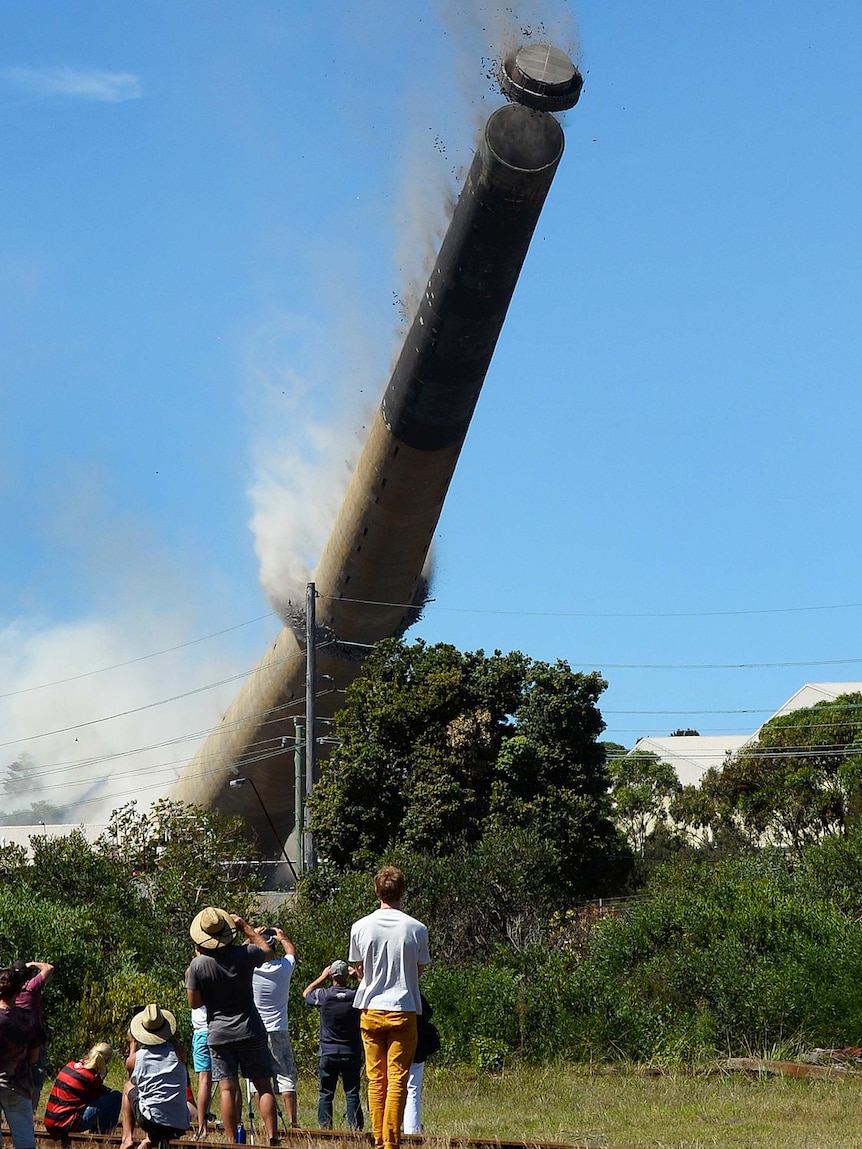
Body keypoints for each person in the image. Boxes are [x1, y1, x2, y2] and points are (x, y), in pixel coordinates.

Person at [349, 866, 430, 1149]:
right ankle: (391, 1142)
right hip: (403, 1007)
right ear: (403, 891)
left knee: (375, 1079)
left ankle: (378, 1138)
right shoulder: (417, 928)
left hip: (370, 1008)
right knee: (397, 1079)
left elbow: (359, 969)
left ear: (376, 891)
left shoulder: (360, 927)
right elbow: (419, 971)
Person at [185, 906, 278, 1145]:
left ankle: (231, 1140)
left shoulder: (198, 965)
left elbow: (195, 1003)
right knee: (262, 1084)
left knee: (228, 1088)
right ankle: (272, 1137)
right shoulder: (244, 953)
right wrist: (245, 926)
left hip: (219, 1032)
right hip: (249, 1027)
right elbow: (268, 951)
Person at [302, 960, 363, 1131]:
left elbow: (306, 993)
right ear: (345, 976)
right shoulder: (355, 996)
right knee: (351, 1093)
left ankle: (325, 1128)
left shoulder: (323, 995)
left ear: (331, 976)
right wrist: (358, 976)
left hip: (328, 1052)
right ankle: (355, 1129)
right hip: (350, 1052)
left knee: (326, 1093)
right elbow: (369, 991)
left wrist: (321, 977)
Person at [119, 1004, 190, 1149]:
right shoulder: (180, 1053)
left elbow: (133, 1081)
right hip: (180, 1123)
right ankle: (149, 1139)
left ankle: (127, 1139)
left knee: (128, 1087)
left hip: (150, 1121)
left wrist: (133, 1044)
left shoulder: (134, 1060)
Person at [251, 927, 298, 1128]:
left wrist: (250, 936)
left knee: (259, 1077)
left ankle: (265, 1121)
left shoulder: (251, 970)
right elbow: (291, 952)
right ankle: (292, 1121)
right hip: (279, 1027)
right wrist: (282, 938)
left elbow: (236, 955)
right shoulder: (284, 968)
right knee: (285, 1074)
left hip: (256, 1029)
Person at [0, 966, 44, 1149]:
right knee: (25, 1142)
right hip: (17, 1084)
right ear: (19, 990)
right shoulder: (29, 1019)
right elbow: (34, 1058)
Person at [44, 1042, 122, 1137]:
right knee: (116, 1097)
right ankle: (103, 1135)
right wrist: (102, 1075)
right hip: (66, 1124)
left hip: (51, 1121)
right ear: (106, 1062)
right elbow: (98, 1098)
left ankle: (100, 1134)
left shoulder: (70, 1065)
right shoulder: (91, 1078)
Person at [12, 960, 53, 1109]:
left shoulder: (9, 989)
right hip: (34, 1037)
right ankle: (32, 1110)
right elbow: (49, 968)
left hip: (14, 1038)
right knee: (36, 1073)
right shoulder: (32, 987)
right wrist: (32, 964)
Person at [402, 993, 439, 1135]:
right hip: (416, 1049)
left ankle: (388, 1128)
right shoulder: (415, 995)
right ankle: (412, 1130)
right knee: (412, 1090)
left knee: (391, 1087)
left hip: (392, 1047)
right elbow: (428, 1012)